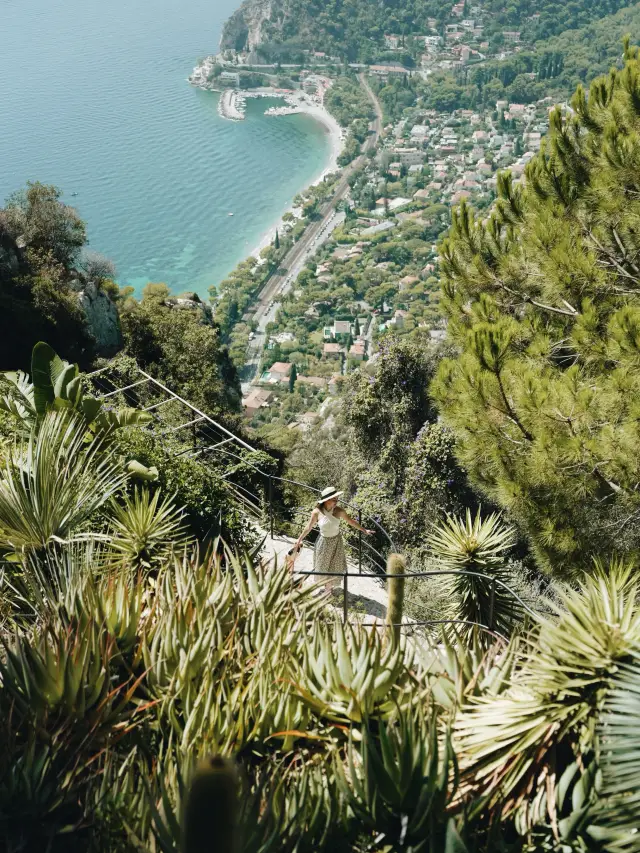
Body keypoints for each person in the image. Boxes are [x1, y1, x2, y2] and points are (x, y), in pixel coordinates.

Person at [293, 486, 374, 591]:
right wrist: (299, 539)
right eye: (334, 499)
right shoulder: (317, 512)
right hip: (323, 543)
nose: (336, 501)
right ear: (326, 500)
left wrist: (364, 530)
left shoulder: (339, 511)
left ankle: (328, 591)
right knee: (322, 567)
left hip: (336, 542)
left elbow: (351, 522)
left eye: (337, 499)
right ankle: (325, 587)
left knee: (334, 567)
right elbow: (309, 527)